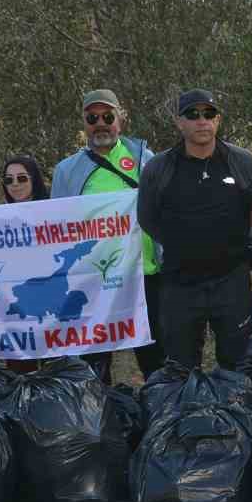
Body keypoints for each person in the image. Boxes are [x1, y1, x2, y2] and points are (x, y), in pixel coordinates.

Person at [138, 89, 252, 369]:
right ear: (179, 122)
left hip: (231, 281)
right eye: (192, 115)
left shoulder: (242, 162)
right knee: (182, 367)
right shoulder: (159, 168)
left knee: (237, 363)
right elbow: (147, 218)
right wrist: (182, 244)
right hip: (179, 284)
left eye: (209, 114)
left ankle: (236, 411)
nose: (202, 121)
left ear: (218, 121)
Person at [51, 89, 164, 381]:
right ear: (84, 123)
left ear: (120, 120)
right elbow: (54, 223)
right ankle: (101, 418)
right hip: (93, 281)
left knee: (155, 358)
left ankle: (159, 416)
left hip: (143, 275)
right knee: (94, 362)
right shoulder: (67, 170)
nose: (100, 123)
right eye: (92, 118)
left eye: (107, 116)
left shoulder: (144, 159)